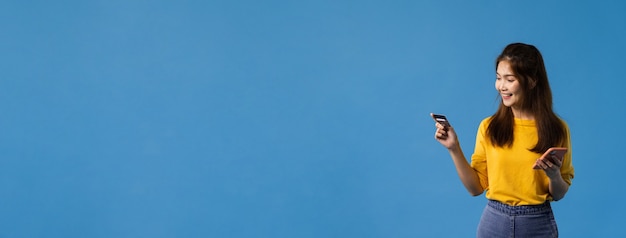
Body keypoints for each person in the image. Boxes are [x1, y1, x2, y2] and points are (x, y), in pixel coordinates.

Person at [432, 43, 574, 238]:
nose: (501, 86)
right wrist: (453, 148)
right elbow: (475, 189)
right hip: (494, 222)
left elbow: (558, 194)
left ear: (532, 81)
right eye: (498, 78)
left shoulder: (557, 129)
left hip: (537, 223)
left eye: (510, 79)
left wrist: (554, 175)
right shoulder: (489, 127)